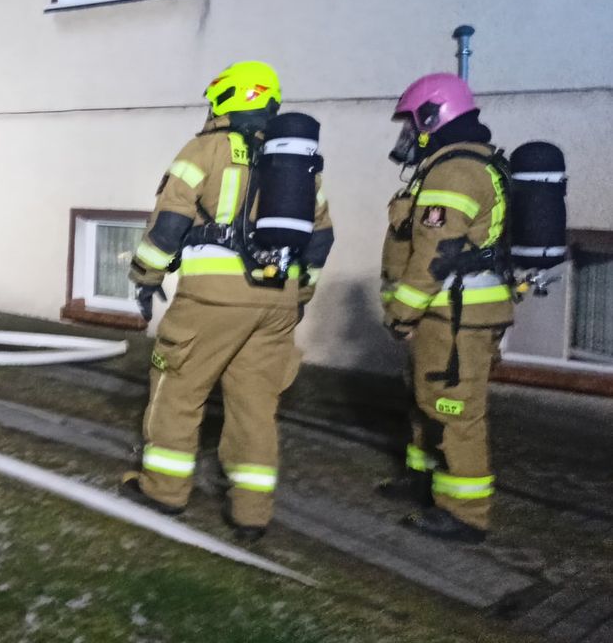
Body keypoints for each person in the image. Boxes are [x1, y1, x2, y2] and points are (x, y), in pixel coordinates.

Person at [122, 61, 334, 541]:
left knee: (178, 390)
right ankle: (252, 513)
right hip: (277, 303)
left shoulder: (205, 149)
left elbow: (170, 223)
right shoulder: (298, 166)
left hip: (213, 300)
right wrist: (299, 295)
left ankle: (164, 491)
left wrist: (146, 276)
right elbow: (321, 237)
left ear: (226, 99)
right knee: (255, 407)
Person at [377, 73, 511, 543]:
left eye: (412, 123)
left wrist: (402, 312)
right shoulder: (453, 165)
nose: (408, 134)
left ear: (435, 117)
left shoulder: (454, 172)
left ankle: (466, 513)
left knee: (456, 409)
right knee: (425, 398)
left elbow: (435, 255)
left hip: (458, 315)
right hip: (448, 313)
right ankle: (422, 479)